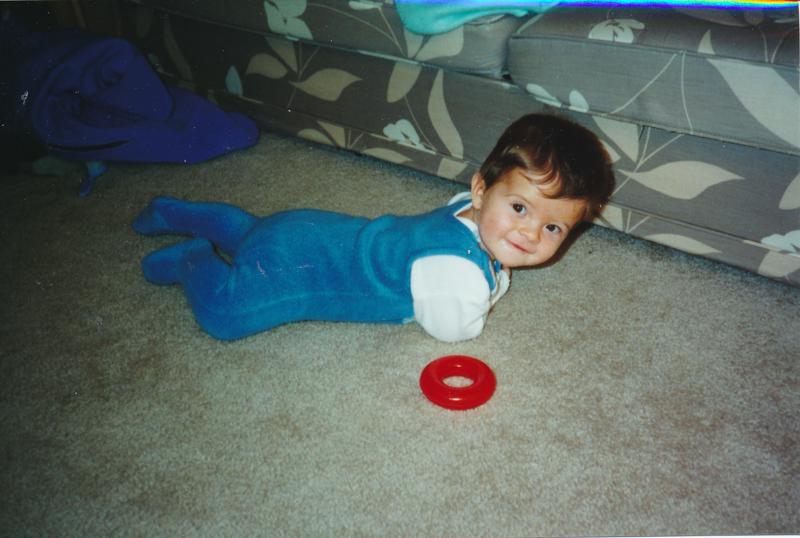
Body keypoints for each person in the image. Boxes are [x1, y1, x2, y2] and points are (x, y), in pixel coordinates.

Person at [133, 113, 614, 342]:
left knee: (250, 231)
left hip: (308, 229)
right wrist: (493, 285)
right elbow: (453, 329)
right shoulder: (456, 272)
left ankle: (175, 211)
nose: (530, 234)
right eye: (521, 208)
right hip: (295, 270)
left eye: (554, 228)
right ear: (481, 190)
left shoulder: (463, 210)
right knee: (225, 315)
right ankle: (192, 257)